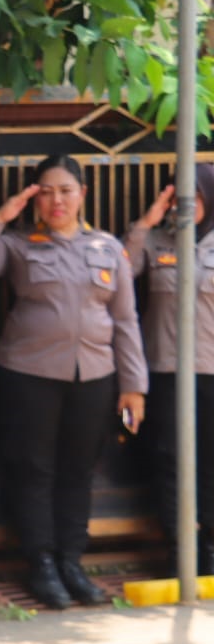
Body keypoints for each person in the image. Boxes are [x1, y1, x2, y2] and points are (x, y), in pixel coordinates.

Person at [0, 154, 148, 608]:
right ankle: (42, 564)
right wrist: (1, 217)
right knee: (34, 471)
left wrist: (134, 386)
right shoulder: (17, 243)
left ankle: (72, 560)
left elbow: (125, 320)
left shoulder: (108, 248)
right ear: (35, 197)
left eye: (66, 190)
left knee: (78, 472)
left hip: (95, 376)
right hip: (28, 374)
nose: (57, 200)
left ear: (82, 195)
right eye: (46, 191)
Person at [126, 170, 214, 575]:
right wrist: (146, 222)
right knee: (169, 461)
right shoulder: (157, 242)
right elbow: (119, 273)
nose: (185, 204)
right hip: (165, 371)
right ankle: (181, 546)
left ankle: (209, 545)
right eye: (177, 197)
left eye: (193, 196)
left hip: (211, 373)